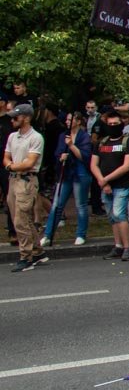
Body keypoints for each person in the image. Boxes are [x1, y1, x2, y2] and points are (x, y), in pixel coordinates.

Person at [91, 107, 129, 261]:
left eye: (116, 123)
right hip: (105, 185)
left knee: (119, 214)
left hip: (122, 184)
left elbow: (127, 166)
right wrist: (102, 181)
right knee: (112, 216)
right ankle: (118, 246)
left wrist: (106, 179)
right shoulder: (101, 142)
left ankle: (127, 248)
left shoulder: (128, 141)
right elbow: (93, 164)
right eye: (110, 124)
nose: (113, 126)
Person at [4, 103, 46, 272]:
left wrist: (12, 166)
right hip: (13, 180)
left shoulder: (36, 137)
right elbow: (6, 157)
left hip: (27, 180)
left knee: (20, 220)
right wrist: (12, 166)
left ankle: (25, 256)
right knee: (21, 218)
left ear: (27, 118)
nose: (12, 120)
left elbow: (30, 163)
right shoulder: (13, 136)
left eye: (16, 117)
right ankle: (37, 251)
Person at [42, 110, 91, 248]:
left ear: (78, 121)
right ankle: (48, 234)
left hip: (80, 173)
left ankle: (81, 234)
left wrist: (71, 146)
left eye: (70, 120)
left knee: (80, 205)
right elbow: (57, 153)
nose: (67, 122)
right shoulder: (63, 135)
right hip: (66, 173)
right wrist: (60, 157)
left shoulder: (84, 137)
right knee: (57, 204)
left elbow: (84, 157)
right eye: (67, 120)